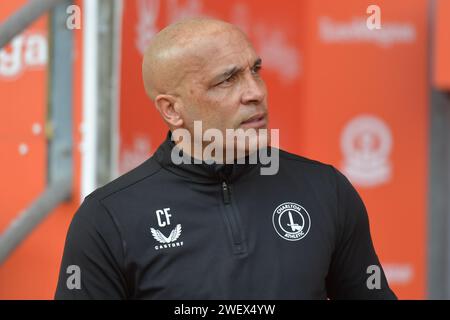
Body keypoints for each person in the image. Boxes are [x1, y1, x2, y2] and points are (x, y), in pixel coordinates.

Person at [55, 17, 396, 299]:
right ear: (172, 109)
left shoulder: (325, 189)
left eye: (256, 70)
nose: (256, 92)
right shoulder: (107, 218)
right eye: (227, 80)